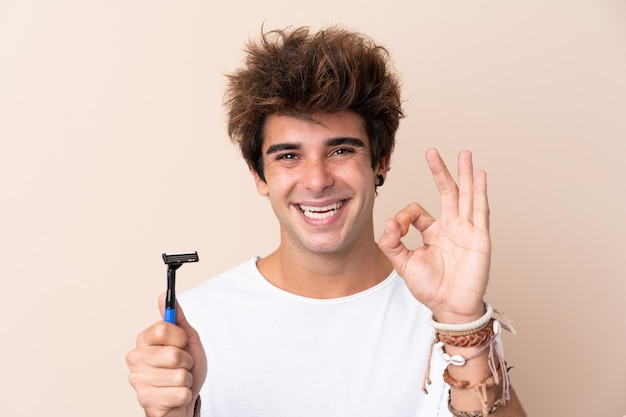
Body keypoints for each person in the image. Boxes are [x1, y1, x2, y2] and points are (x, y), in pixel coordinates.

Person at [126, 26, 527, 417]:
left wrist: (461, 324)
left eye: (340, 151)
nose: (317, 180)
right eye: (288, 156)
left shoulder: (447, 311)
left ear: (380, 161)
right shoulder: (197, 326)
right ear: (258, 176)